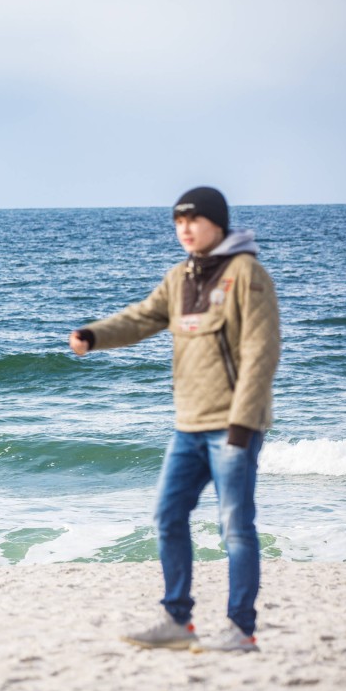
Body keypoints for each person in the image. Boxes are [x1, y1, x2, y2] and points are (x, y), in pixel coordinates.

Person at [69, 186, 280, 653]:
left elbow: (262, 353)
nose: (185, 228)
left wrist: (244, 422)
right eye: (178, 221)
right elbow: (142, 318)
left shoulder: (247, 274)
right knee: (167, 516)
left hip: (232, 426)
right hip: (188, 425)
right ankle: (176, 620)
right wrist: (93, 335)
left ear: (218, 224)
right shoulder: (180, 276)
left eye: (194, 220)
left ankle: (241, 630)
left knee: (236, 527)